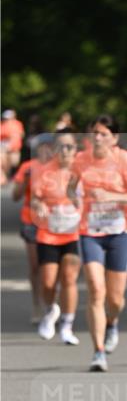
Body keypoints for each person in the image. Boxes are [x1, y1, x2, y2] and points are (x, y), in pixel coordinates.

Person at [69, 115, 127, 372]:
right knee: (95, 289)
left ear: (115, 138)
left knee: (115, 299)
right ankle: (98, 351)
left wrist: (110, 195)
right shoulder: (81, 160)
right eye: (94, 133)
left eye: (103, 134)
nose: (98, 138)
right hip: (89, 231)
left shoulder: (123, 159)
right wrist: (75, 199)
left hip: (118, 233)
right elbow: (71, 188)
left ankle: (112, 322)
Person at [31, 130, 82, 345]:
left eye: (70, 146)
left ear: (76, 149)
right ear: (53, 149)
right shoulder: (44, 172)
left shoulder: (83, 171)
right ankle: (51, 310)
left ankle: (67, 325)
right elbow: (35, 198)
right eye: (61, 146)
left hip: (75, 233)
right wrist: (39, 205)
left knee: (69, 278)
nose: (65, 151)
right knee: (48, 282)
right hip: (49, 234)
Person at [12, 133, 54, 323]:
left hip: (55, 221)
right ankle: (37, 305)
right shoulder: (28, 167)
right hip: (31, 221)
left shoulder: (59, 167)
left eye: (50, 147)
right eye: (42, 147)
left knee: (52, 266)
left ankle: (51, 304)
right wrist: (27, 179)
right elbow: (15, 196)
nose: (46, 150)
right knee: (35, 265)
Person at [1, 109, 25, 184]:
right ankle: (4, 178)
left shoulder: (17, 125)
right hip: (4, 148)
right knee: (3, 162)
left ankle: (10, 178)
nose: (7, 120)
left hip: (14, 148)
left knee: (14, 163)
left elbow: (20, 135)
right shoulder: (2, 125)